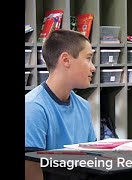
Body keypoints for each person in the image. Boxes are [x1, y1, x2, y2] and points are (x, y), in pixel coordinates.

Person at [25, 29, 97, 180]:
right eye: (88, 58)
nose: (93, 68)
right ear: (66, 60)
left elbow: (93, 162)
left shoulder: (83, 106)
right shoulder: (33, 108)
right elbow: (31, 174)